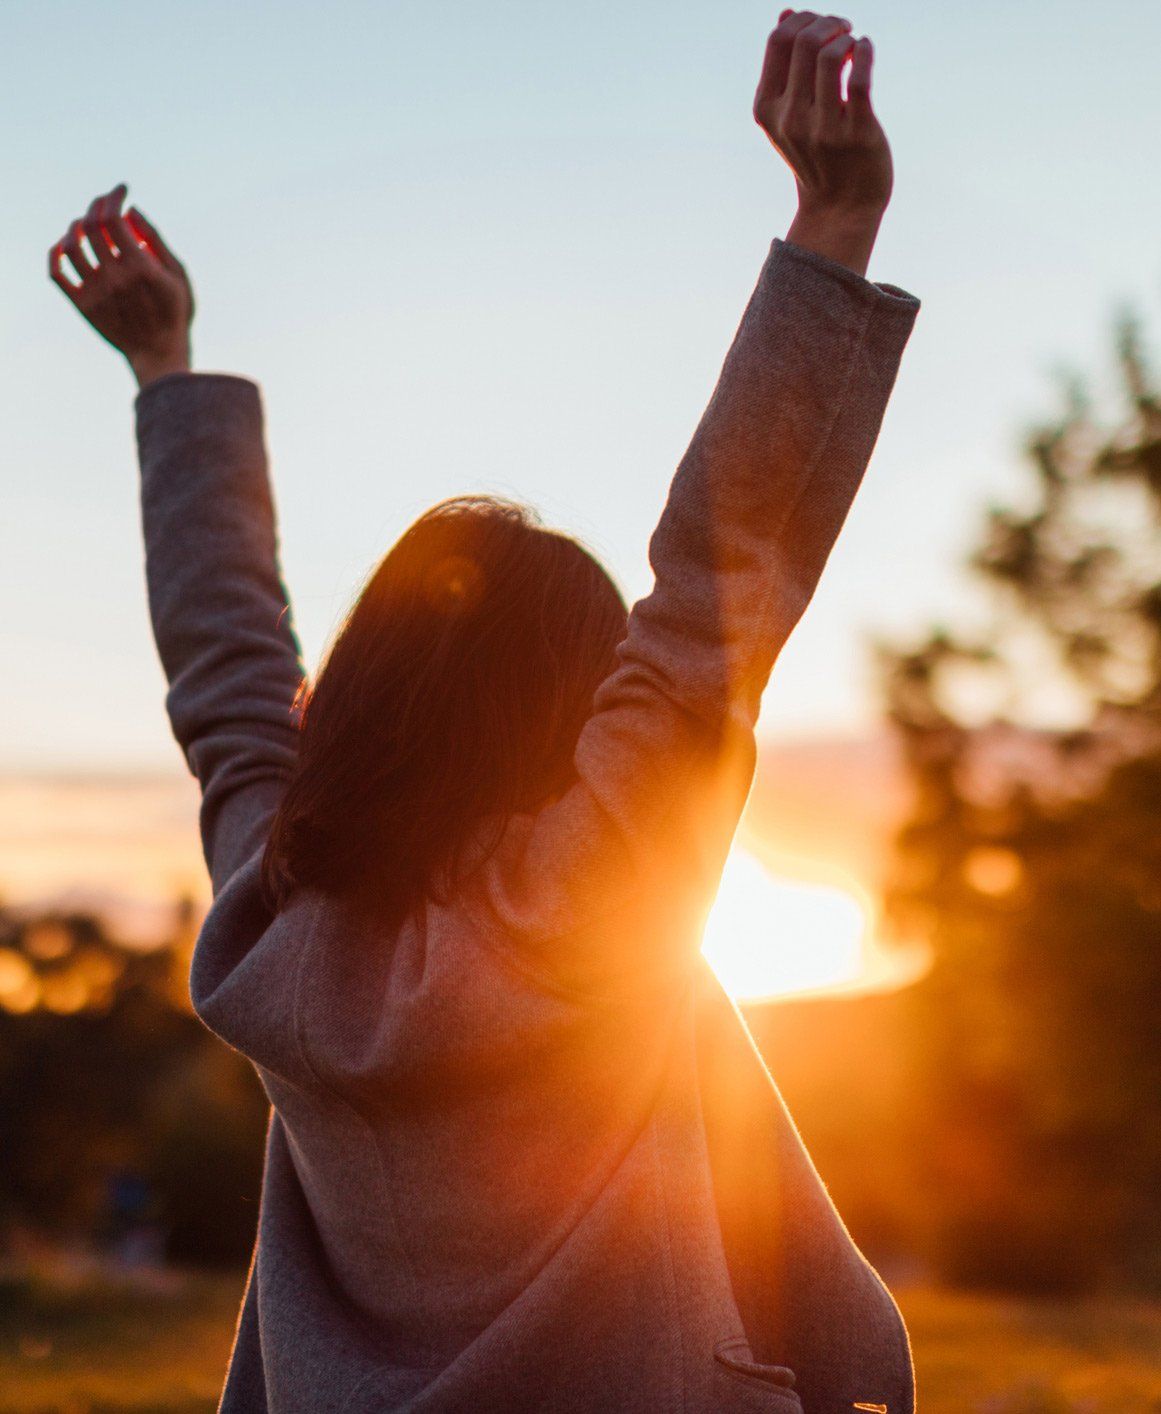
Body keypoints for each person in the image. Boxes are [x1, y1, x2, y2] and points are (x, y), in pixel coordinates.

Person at [50, 11, 919, 1410]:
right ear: (568, 721)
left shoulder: (272, 929)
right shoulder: (586, 901)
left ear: (354, 707)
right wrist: (832, 223)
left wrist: (169, 375)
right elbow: (711, 601)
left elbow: (227, 681)